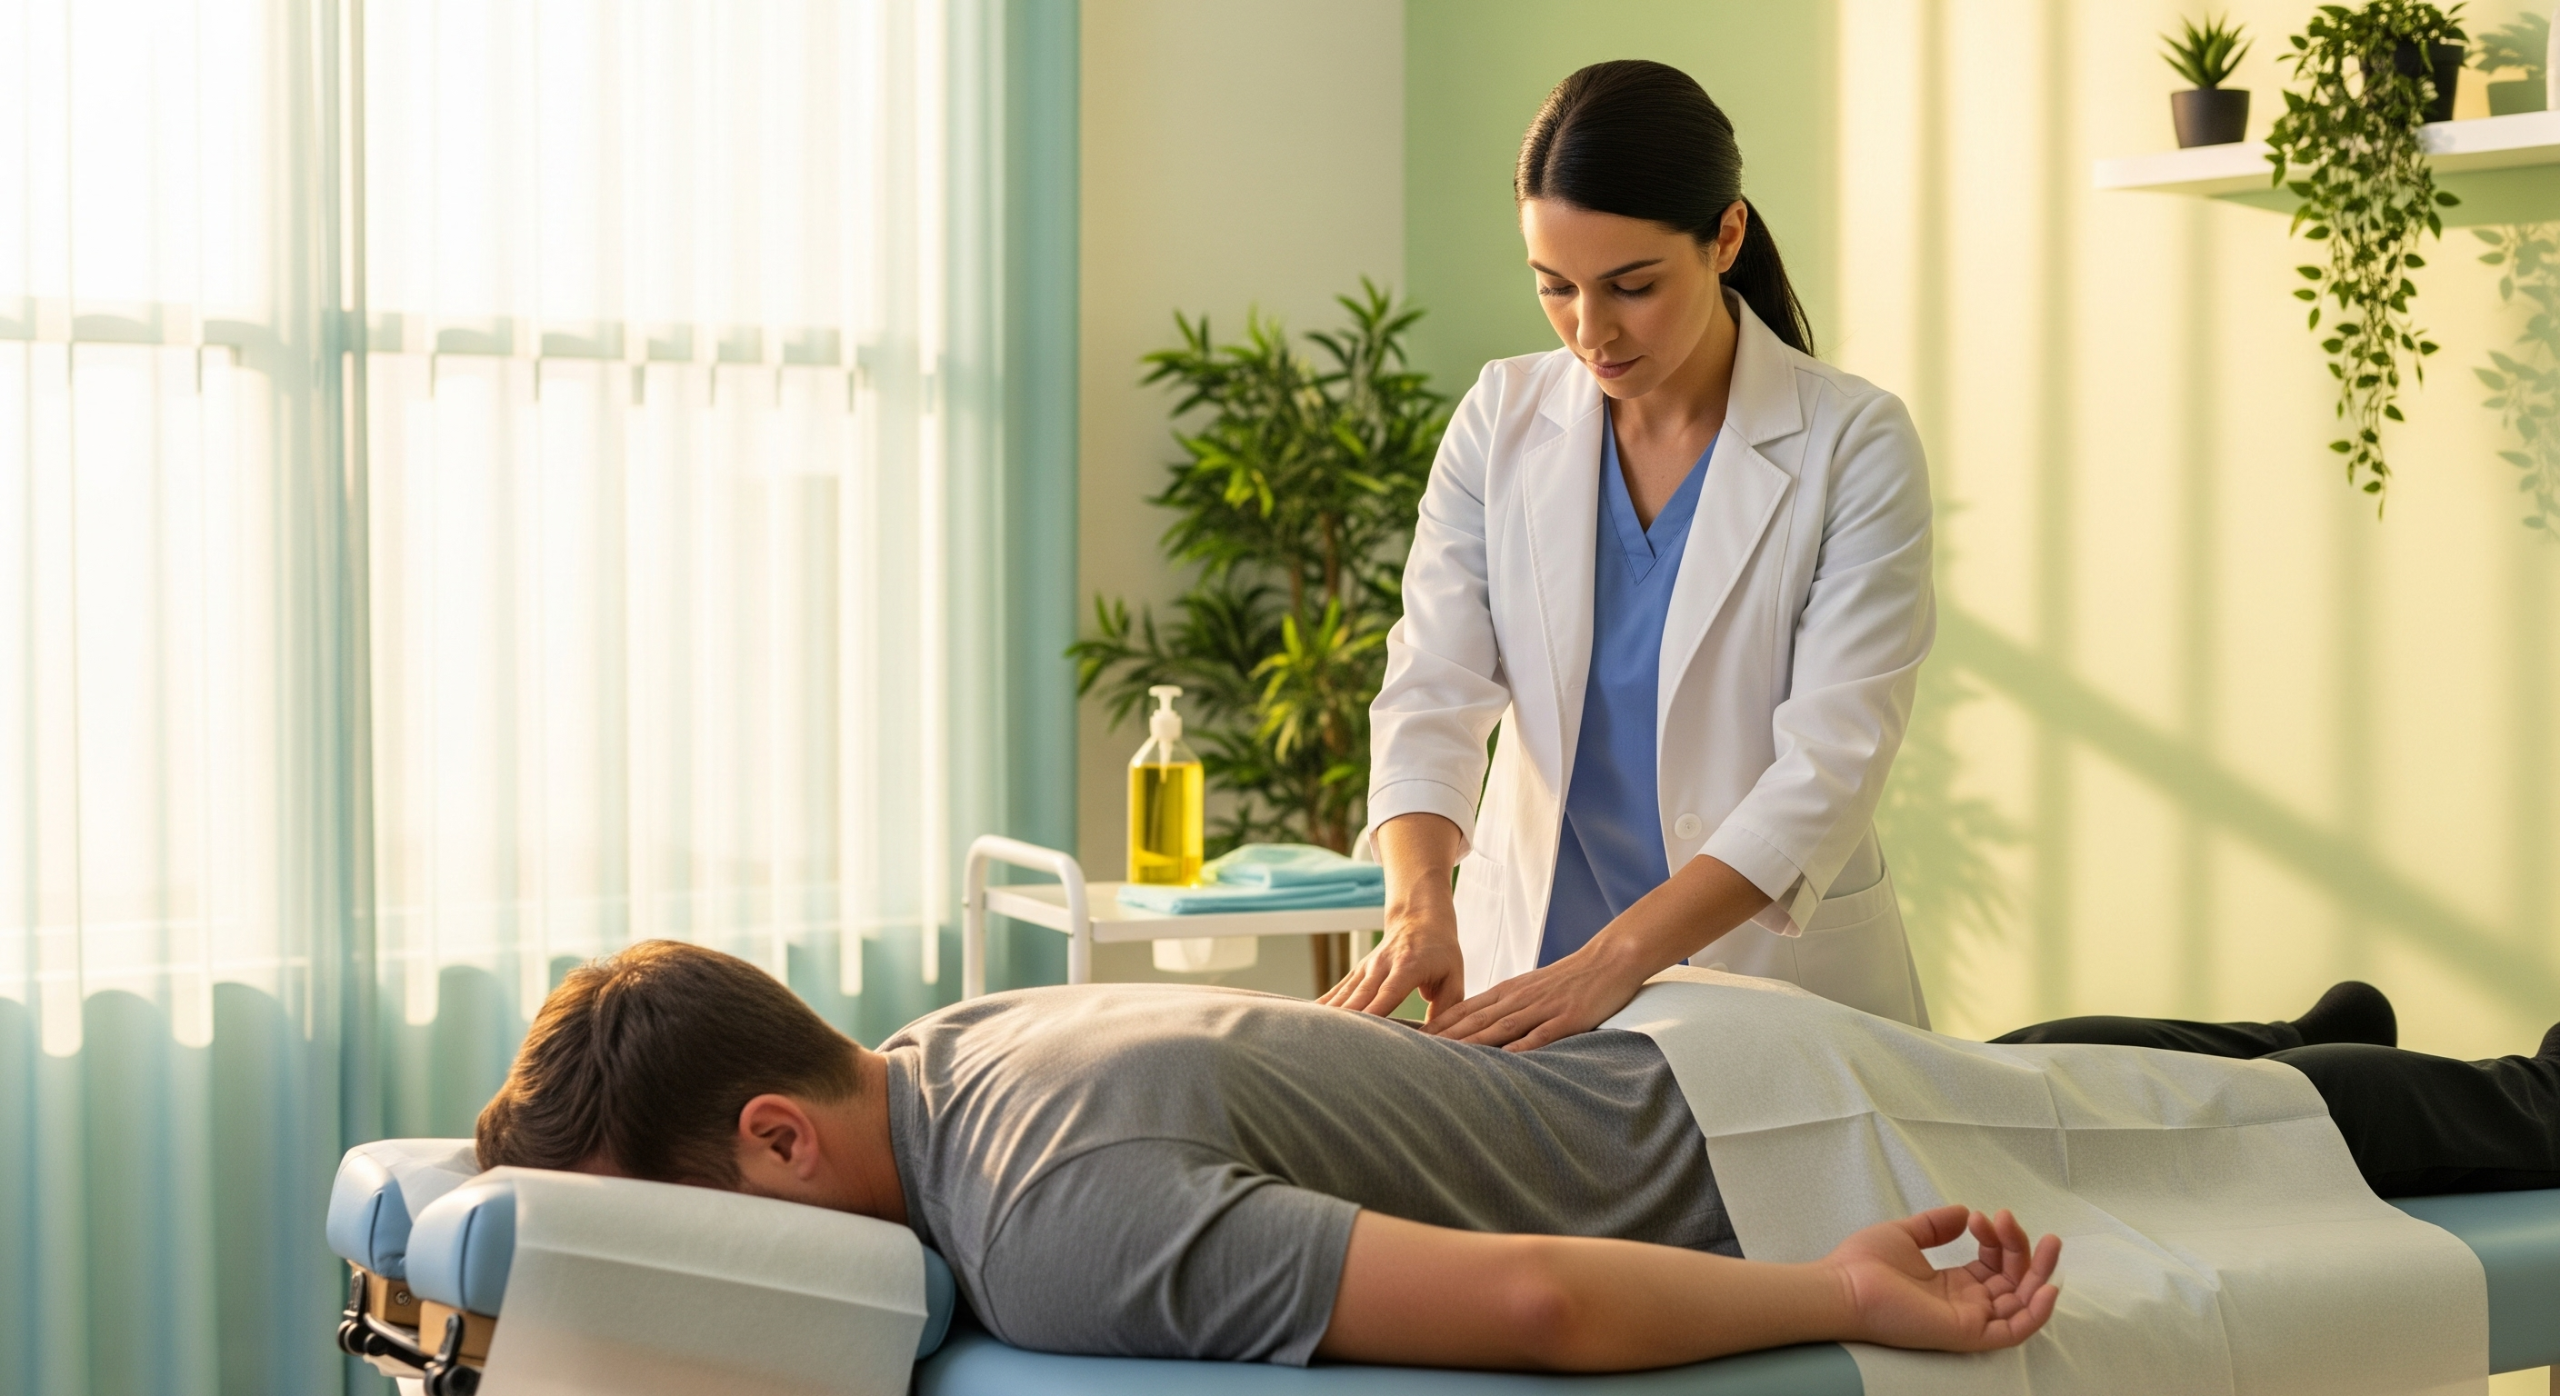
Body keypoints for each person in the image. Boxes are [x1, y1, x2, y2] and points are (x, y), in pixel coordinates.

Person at [479, 942, 2560, 1372]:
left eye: (697, 1240)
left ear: (774, 1127)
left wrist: (1844, 1294)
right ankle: (2328, 1032)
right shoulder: (961, 1035)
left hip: (1734, 1153)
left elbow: (1534, 1298)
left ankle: (2510, 1087)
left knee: (2212, 1143)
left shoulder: (1050, 1228)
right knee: (2059, 1077)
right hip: (1685, 1054)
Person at [1340, 58, 1937, 1049]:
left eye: (1632, 285)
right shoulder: (1502, 418)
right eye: (1555, 288)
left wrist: (1611, 965)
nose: (1591, 330)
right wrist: (1417, 904)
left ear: (1725, 237)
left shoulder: (1853, 443)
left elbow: (1830, 766)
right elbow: (1431, 688)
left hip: (1763, 991)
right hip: (1528, 970)